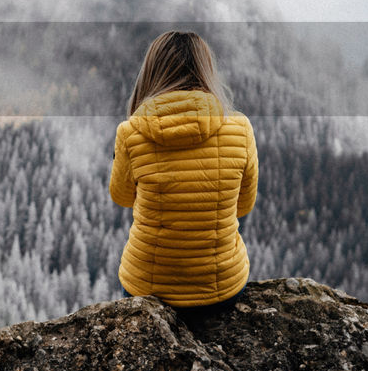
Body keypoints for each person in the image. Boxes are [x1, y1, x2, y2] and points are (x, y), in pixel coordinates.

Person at [109, 30, 258, 324]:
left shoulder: (131, 133)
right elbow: (243, 206)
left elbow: (122, 198)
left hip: (147, 288)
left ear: (151, 73)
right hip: (222, 289)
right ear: (207, 71)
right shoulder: (240, 130)